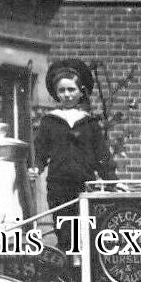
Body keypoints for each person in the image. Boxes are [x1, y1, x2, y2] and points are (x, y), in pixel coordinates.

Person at [30, 59, 117, 250]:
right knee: (65, 233)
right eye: (62, 91)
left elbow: (102, 156)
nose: (67, 95)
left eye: (71, 90)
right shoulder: (49, 121)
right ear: (56, 93)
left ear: (80, 91)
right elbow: (41, 150)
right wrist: (36, 167)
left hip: (84, 186)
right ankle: (68, 275)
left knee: (86, 234)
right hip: (58, 187)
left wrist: (111, 181)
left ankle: (84, 275)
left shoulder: (90, 123)